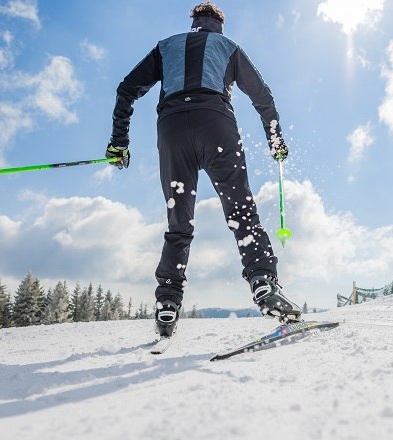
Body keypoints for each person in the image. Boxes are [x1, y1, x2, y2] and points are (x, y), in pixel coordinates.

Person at [106, 2, 301, 337]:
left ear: (193, 22)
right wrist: (275, 140)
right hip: (216, 124)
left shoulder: (166, 46)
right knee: (242, 211)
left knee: (179, 222)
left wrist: (118, 142)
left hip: (172, 131)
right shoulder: (227, 47)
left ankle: (167, 302)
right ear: (218, 26)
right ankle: (263, 281)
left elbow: (127, 89)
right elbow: (262, 96)